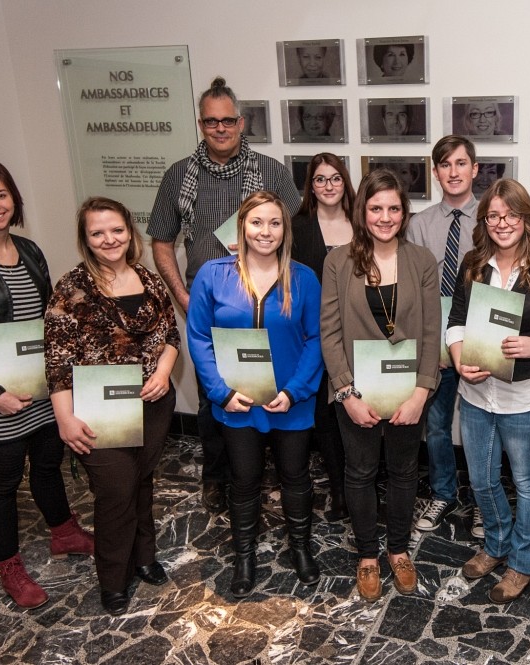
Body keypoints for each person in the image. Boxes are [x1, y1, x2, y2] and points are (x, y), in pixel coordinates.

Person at [0, 160, 93, 610]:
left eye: (0, 195)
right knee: (3, 483)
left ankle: (63, 532)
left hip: (43, 390)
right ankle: (9, 566)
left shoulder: (29, 251)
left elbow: (49, 319)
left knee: (48, 465)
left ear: (13, 198)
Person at [148, 77, 301, 516]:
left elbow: (292, 228)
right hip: (213, 308)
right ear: (201, 124)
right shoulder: (179, 174)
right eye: (211, 121)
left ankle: (262, 474)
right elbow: (161, 241)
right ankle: (218, 478)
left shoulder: (270, 170)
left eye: (228, 120)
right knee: (215, 396)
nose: (220, 128)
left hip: (270, 304)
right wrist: (183, 296)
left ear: (241, 121)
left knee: (269, 388)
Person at [45, 197, 179, 617]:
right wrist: (65, 418)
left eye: (117, 230)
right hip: (98, 410)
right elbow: (57, 361)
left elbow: (172, 334)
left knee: (141, 482)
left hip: (153, 403)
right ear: (85, 239)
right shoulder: (71, 289)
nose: (109, 239)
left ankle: (144, 558)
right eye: (97, 232)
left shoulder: (149, 278)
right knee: (115, 492)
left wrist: (163, 372)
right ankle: (113, 579)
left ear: (129, 232)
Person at [447, 178, 530, 604]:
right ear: (485, 220)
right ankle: (497, 544)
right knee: (482, 480)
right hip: (476, 395)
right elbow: (457, 319)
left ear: (526, 218)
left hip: (526, 397)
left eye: (511, 215)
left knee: (527, 482)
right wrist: (458, 353)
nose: (502, 223)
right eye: (494, 216)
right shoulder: (473, 262)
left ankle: (523, 561)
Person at [187, 191, 323, 597]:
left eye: (275, 223)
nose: (266, 231)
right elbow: (198, 337)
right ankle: (244, 555)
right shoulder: (214, 274)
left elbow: (316, 339)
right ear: (242, 226)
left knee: (295, 478)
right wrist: (219, 392)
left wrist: (295, 390)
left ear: (286, 230)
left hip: (289, 402)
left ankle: (300, 548)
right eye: (257, 222)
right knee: (243, 481)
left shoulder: (303, 278)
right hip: (237, 402)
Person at [320, 169, 440, 601]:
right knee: (361, 471)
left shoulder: (421, 260)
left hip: (409, 392)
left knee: (405, 471)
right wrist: (346, 393)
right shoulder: (338, 261)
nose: (385, 217)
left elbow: (430, 332)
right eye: (376, 208)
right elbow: (329, 334)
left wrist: (421, 393)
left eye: (393, 208)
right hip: (356, 393)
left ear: (404, 213)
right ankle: (368, 554)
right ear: (361, 212)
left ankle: (399, 549)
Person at [405, 135, 483, 537]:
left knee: (482, 425)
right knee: (435, 425)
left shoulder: (491, 217)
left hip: (479, 335)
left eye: (461, 163)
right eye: (445, 165)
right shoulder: (419, 224)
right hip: (435, 338)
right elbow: (413, 289)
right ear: (435, 173)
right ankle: (443, 492)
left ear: (475, 169)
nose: (453, 172)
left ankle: (484, 500)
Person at [291, 153, 357, 522]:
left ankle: (360, 480)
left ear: (345, 182)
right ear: (311, 186)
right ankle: (338, 488)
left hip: (359, 335)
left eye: (335, 178)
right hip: (314, 334)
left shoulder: (363, 222)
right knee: (326, 414)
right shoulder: (297, 226)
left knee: (357, 407)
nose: (328, 186)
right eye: (320, 179)